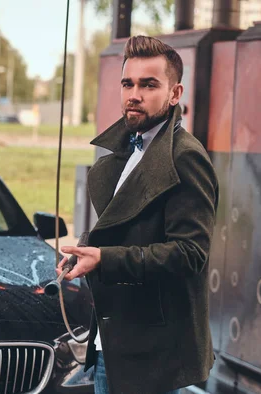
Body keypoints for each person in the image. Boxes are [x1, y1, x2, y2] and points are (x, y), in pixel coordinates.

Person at [56, 35, 218, 394]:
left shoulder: (185, 158)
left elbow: (190, 254)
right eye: (128, 83)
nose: (134, 94)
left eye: (149, 85)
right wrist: (87, 252)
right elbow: (126, 230)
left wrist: (105, 259)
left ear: (175, 94)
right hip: (113, 343)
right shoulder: (128, 150)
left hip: (153, 354)